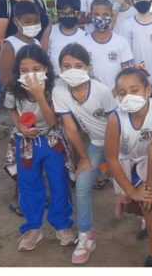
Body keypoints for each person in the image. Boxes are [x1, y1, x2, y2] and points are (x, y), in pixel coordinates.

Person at [3, 45, 75, 251]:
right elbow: (11, 110)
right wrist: (20, 127)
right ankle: (33, 227)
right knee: (28, 185)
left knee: (58, 182)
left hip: (51, 141)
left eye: (36, 69)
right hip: (26, 142)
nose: (30, 75)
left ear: (45, 68)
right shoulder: (13, 88)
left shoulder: (55, 88)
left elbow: (53, 121)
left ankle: (62, 225)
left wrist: (40, 94)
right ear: (18, 72)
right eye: (24, 71)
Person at [54, 43, 119, 263]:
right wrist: (83, 158)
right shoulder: (59, 91)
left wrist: (111, 161)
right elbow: (70, 128)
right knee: (82, 184)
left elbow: (116, 126)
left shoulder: (100, 90)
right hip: (97, 143)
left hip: (121, 141)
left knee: (127, 181)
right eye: (66, 66)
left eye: (78, 65)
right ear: (60, 69)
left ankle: (147, 217)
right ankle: (86, 236)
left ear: (88, 68)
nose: (72, 70)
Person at [104, 67, 152, 267]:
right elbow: (111, 159)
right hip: (125, 162)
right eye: (122, 92)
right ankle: (150, 215)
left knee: (149, 202)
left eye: (134, 90)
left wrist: (148, 189)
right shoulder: (114, 119)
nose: (128, 96)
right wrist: (132, 192)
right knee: (131, 204)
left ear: (147, 91)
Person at [83, 0, 134, 92]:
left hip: (117, 96)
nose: (101, 18)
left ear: (111, 15)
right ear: (91, 16)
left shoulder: (121, 42)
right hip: (92, 95)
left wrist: (115, 92)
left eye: (105, 14)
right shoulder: (83, 44)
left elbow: (126, 73)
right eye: (96, 14)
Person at [0, 0, 43, 89]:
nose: (33, 25)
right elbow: (5, 78)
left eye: (36, 21)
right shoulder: (10, 45)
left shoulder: (37, 43)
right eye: (27, 22)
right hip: (18, 94)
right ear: (16, 21)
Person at [48, 0, 86, 76]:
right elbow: (43, 58)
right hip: (55, 81)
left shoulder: (84, 36)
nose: (67, 16)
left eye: (71, 13)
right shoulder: (50, 32)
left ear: (78, 13)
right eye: (62, 13)